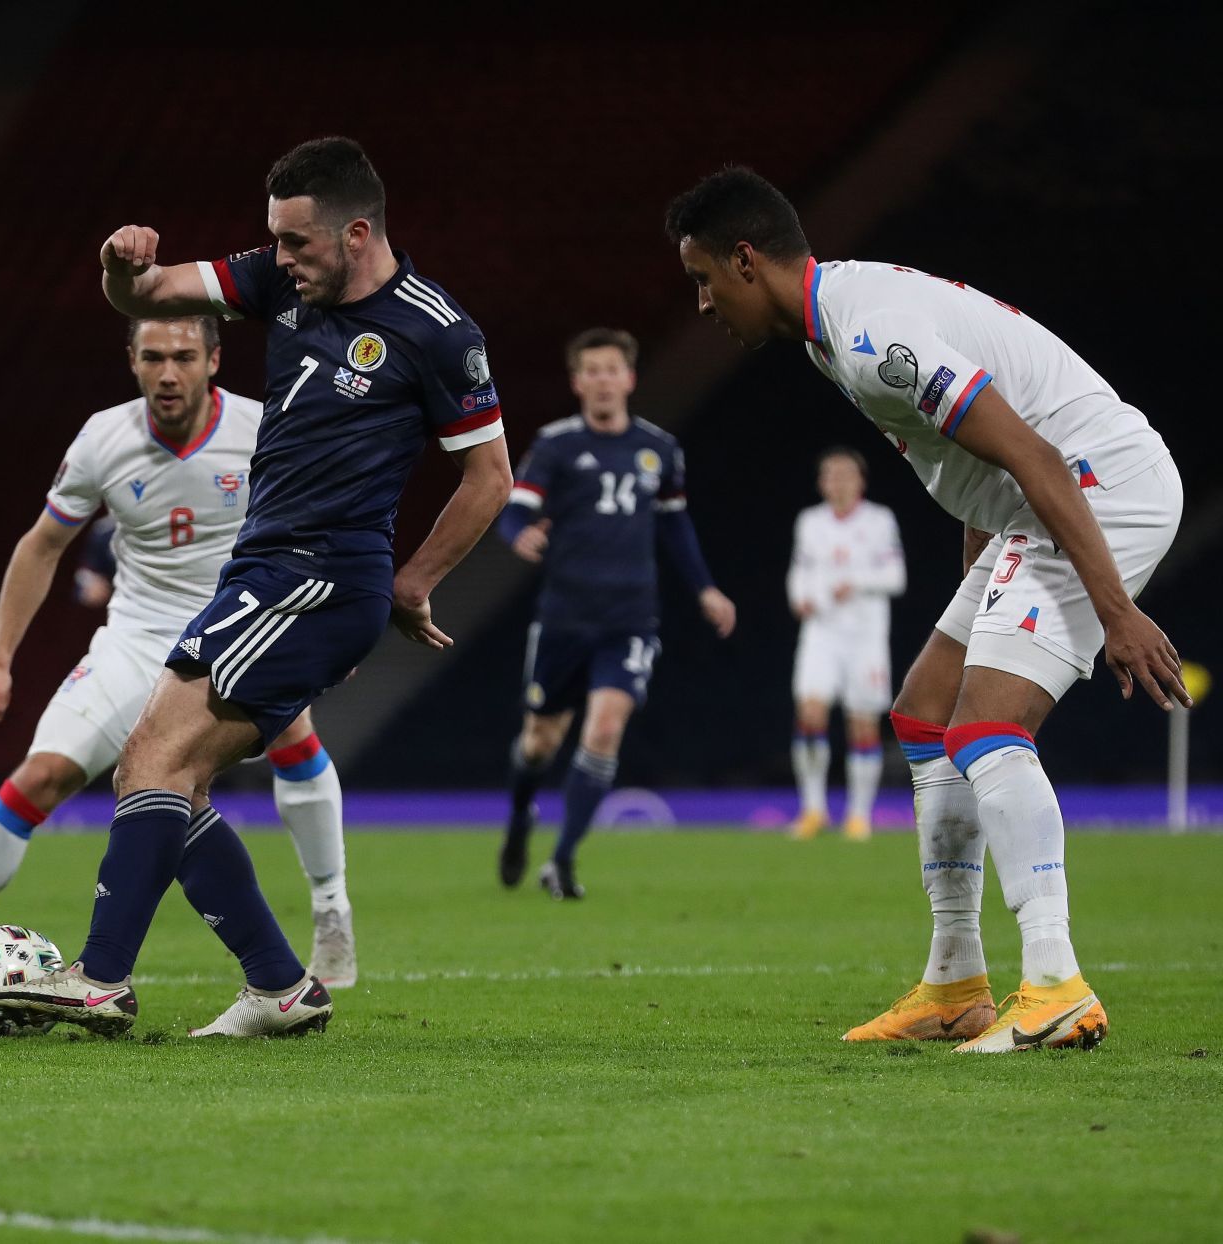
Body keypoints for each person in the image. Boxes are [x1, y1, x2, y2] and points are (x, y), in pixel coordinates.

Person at [0, 136, 512, 1038]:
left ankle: (102, 977)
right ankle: (280, 988)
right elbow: (146, 296)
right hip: (265, 573)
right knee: (172, 782)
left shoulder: (435, 330)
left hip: (320, 578)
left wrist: (412, 583)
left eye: (297, 243)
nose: (281, 258)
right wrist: (118, 269)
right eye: (276, 241)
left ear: (357, 233)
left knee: (151, 759)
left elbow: (488, 476)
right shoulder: (282, 282)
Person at [667, 166, 1186, 1053]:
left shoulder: (872, 336)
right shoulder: (833, 330)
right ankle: (956, 983)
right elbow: (981, 475)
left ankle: (1057, 984)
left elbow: (1032, 455)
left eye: (704, 281)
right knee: (926, 710)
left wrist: (1117, 614)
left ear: (746, 260)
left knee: (988, 726)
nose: (705, 305)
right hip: (1042, 502)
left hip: (1102, 486)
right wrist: (977, 588)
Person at [0, 317, 355, 992]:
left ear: (213, 360)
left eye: (183, 357)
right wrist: (0, 659)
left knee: (292, 732)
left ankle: (330, 916)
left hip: (236, 630)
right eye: (153, 357)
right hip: (136, 638)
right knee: (41, 775)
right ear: (132, 361)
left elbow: (327, 525)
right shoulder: (102, 438)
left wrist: (333, 625)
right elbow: (42, 544)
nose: (168, 372)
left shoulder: (263, 430)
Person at [496, 328, 735, 898]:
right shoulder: (555, 445)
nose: (603, 380)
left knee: (604, 729)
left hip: (630, 618)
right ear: (578, 382)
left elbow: (675, 525)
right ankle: (521, 813)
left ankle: (562, 859)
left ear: (629, 378)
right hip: (563, 618)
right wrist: (519, 535)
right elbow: (515, 509)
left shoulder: (659, 449)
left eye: (613, 370)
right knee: (539, 743)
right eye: (592, 371)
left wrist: (705, 588)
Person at [786, 447, 906, 841]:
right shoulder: (810, 522)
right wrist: (799, 596)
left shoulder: (878, 520)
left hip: (864, 637)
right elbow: (800, 569)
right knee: (810, 711)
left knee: (862, 723)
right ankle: (813, 809)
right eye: (830, 475)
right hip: (821, 633)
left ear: (860, 481)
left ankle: (858, 816)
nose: (837, 483)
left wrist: (854, 582)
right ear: (821, 483)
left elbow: (895, 576)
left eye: (845, 475)